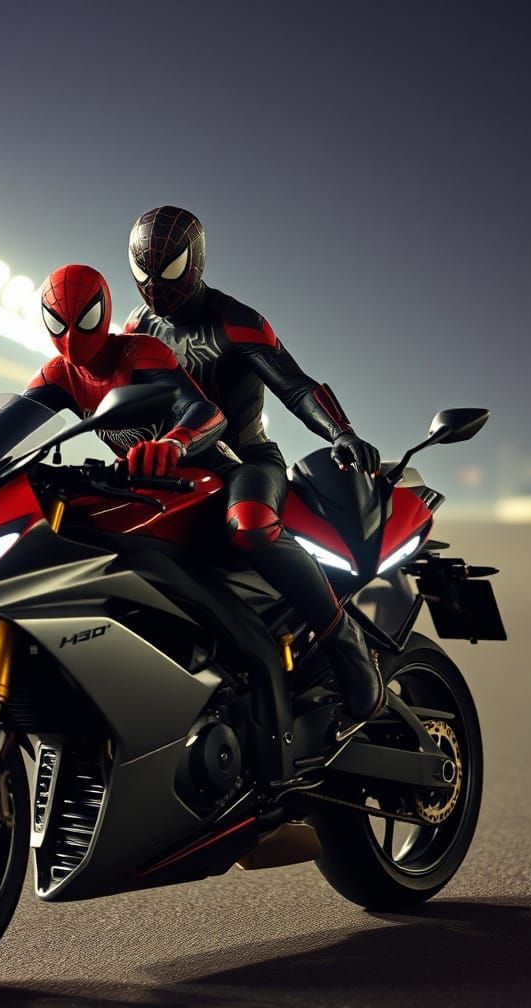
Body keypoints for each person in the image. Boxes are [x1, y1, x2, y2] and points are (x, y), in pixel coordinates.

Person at [125, 205, 385, 731]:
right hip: (178, 472)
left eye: (168, 271)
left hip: (247, 462)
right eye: (143, 273)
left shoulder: (236, 320)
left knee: (248, 525)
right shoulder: (137, 328)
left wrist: (342, 431)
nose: (155, 286)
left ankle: (347, 646)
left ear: (194, 262)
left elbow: (295, 385)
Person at [22, 263, 226, 480]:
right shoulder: (57, 375)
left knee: (248, 513)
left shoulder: (140, 353)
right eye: (57, 323)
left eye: (87, 319)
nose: (71, 339)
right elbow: (8, 426)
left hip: (208, 470)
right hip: (135, 478)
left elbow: (208, 411)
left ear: (104, 310)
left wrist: (173, 443)